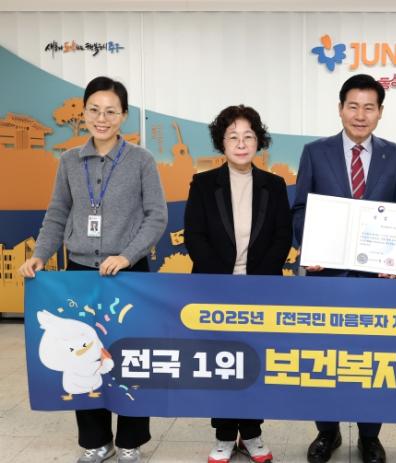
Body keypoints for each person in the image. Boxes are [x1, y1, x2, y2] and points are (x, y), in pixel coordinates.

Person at [18, 76, 168, 463]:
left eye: (111, 112)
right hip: (80, 272)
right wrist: (40, 254)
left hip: (129, 274)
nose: (102, 119)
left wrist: (127, 255)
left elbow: (156, 216)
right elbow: (57, 213)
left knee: (130, 357)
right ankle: (96, 441)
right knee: (80, 354)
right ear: (84, 113)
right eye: (95, 110)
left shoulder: (141, 160)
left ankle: (131, 440)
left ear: (124, 115)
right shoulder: (69, 161)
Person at [291, 74, 396, 463]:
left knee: (372, 359)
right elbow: (300, 209)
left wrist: (393, 256)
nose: (361, 115)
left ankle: (369, 436)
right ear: (340, 108)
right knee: (324, 358)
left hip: (375, 280)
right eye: (353, 106)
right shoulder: (315, 152)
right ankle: (327, 433)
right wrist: (309, 247)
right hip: (326, 277)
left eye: (369, 107)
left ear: (380, 112)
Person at [184, 104, 291, 463]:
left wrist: (254, 282)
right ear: (222, 143)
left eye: (248, 136)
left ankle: (253, 433)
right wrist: (226, 282)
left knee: (255, 361)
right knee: (222, 363)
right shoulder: (203, 184)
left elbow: (282, 236)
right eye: (233, 137)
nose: (241, 144)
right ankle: (225, 435)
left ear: (259, 141)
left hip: (261, 288)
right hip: (216, 289)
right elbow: (195, 237)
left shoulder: (274, 185)